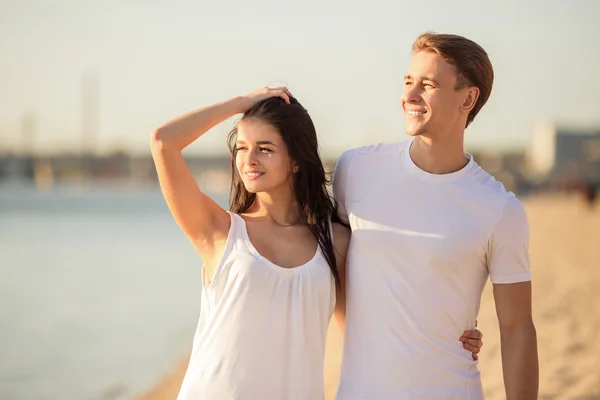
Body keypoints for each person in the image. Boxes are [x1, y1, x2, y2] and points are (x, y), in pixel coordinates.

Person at [150, 87, 484, 399]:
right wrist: (241, 103)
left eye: (264, 149)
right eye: (241, 148)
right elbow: (163, 142)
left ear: (296, 160)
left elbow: (371, 325)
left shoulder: (334, 240)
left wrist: (452, 331)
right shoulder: (220, 231)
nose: (248, 160)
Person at [332, 32, 539, 400]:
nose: (410, 95)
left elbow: (517, 330)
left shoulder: (498, 209)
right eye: (408, 81)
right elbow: (325, 261)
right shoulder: (356, 170)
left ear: (468, 98)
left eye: (427, 85)